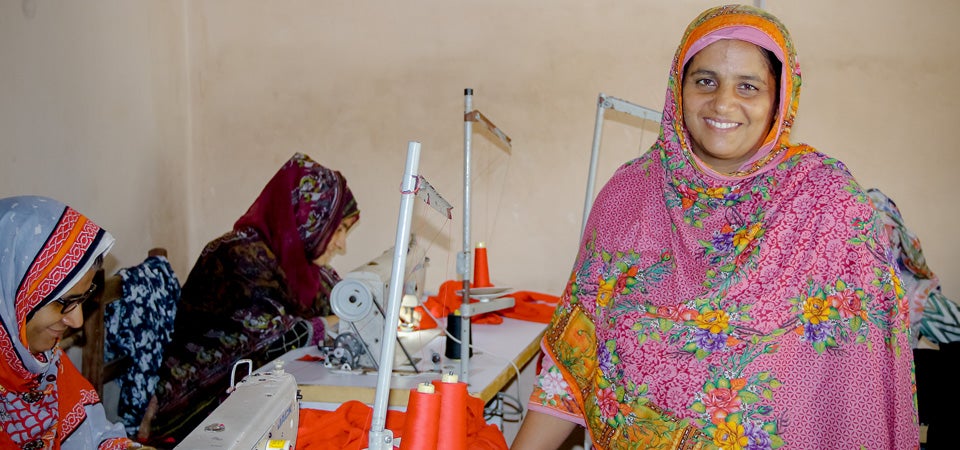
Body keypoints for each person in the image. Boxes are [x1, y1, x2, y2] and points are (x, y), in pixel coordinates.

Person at [512, 5, 917, 449]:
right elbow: (577, 357)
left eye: (749, 86)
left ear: (780, 99)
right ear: (677, 88)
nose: (723, 104)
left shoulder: (826, 204)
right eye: (705, 80)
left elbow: (865, 379)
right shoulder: (629, 198)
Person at [140, 152, 359, 444]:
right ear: (310, 218)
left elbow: (344, 300)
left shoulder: (299, 264)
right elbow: (277, 338)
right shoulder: (237, 257)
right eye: (339, 229)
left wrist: (356, 307)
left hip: (247, 395)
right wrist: (339, 319)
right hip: (195, 409)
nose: (342, 244)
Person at [0, 195, 151, 449]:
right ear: (14, 296)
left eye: (82, 300)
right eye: (65, 302)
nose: (78, 320)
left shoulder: (44, 366)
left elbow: (96, 436)